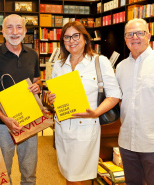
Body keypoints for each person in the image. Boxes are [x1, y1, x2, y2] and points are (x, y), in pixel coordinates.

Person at [47, 21, 121, 185]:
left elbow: (115, 96)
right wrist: (51, 100)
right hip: (63, 128)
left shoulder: (99, 61)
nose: (71, 40)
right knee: (69, 174)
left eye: (75, 35)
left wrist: (96, 113)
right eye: (67, 37)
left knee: (78, 177)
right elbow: (54, 96)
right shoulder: (59, 65)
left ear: (85, 38)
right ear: (62, 42)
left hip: (86, 128)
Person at [0, 14, 42, 185]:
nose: (14, 32)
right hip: (2, 124)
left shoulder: (33, 54)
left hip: (30, 120)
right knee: (2, 172)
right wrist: (5, 119)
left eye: (19, 27)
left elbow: (38, 80)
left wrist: (38, 86)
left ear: (25, 31)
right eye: (9, 27)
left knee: (29, 172)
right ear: (2, 31)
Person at [116, 18, 154, 185]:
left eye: (139, 33)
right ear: (125, 38)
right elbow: (118, 100)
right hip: (127, 142)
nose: (134, 37)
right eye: (130, 34)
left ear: (149, 36)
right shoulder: (121, 67)